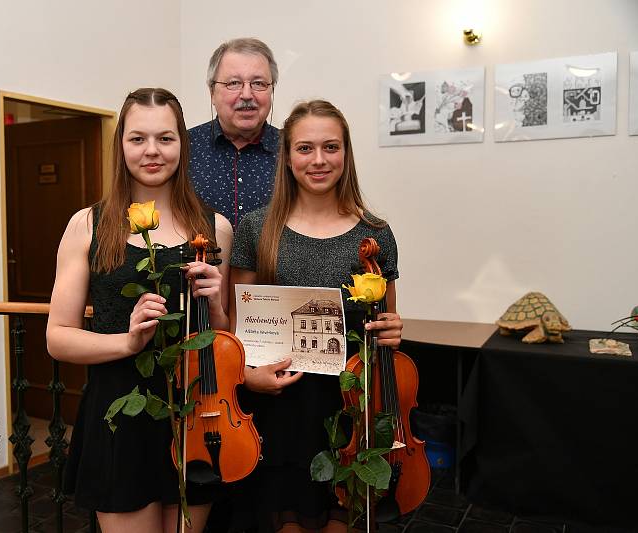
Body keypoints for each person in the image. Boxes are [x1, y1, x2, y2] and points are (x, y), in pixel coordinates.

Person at [46, 87, 233, 533]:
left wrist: (216, 308)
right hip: (120, 417)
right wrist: (128, 341)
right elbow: (57, 337)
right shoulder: (88, 225)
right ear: (121, 145)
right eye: (138, 138)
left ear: (182, 145)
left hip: (196, 412)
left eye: (165, 138)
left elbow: (224, 337)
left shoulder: (215, 227)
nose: (152, 151)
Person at [229, 100, 404, 532]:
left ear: (346, 153)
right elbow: (237, 328)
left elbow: (388, 321)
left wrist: (392, 331)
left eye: (331, 147)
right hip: (280, 403)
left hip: (349, 406)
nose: (319, 160)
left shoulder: (376, 233)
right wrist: (247, 376)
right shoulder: (257, 228)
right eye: (305, 148)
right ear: (287, 157)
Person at [189, 38, 280, 229]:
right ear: (212, 92)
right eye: (234, 83)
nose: (247, 95)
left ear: (271, 90)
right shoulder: (184, 148)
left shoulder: (294, 151)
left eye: (258, 83)